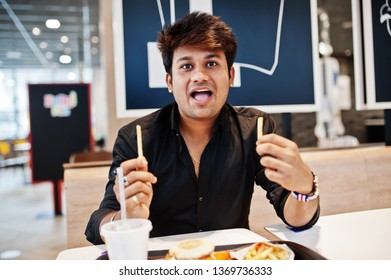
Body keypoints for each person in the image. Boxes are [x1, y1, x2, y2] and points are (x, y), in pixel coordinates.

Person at [85, 11, 320, 244]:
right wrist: (127, 218)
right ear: (170, 81)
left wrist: (304, 186)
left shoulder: (255, 129)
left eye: (211, 63)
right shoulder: (135, 139)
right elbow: (98, 225)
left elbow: (297, 218)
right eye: (186, 66)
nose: (199, 76)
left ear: (230, 76)